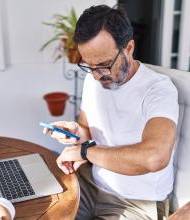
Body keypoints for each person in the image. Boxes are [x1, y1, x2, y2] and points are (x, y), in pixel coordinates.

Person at [43, 4, 179, 220]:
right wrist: (74, 132)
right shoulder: (92, 79)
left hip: (135, 202)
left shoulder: (158, 90)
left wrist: (85, 152)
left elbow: (155, 157)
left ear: (129, 48)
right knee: (41, 209)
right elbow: (87, 130)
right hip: (92, 184)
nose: (97, 76)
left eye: (105, 65)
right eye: (89, 65)